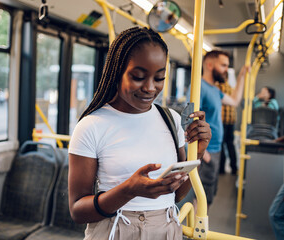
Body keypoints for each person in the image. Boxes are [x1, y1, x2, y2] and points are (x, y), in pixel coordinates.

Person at [68, 27, 212, 240]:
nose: (150, 88)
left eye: (159, 78)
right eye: (138, 77)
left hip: (166, 228)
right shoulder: (92, 126)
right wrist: (128, 190)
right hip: (116, 228)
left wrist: (197, 153)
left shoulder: (170, 119)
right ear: (117, 72)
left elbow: (178, 195)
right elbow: (78, 211)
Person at [187, 50, 249, 206]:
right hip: (206, 152)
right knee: (200, 200)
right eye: (223, 65)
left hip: (216, 150)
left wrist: (242, 76)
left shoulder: (215, 90)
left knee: (208, 197)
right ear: (209, 65)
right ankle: (196, 230)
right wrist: (203, 152)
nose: (226, 70)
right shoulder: (199, 87)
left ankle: (200, 229)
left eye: (227, 66)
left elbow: (234, 101)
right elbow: (187, 119)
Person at [215, 72, 240, 175]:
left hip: (222, 120)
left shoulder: (217, 88)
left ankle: (221, 169)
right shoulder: (231, 88)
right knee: (230, 144)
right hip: (231, 121)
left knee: (221, 145)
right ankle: (234, 168)